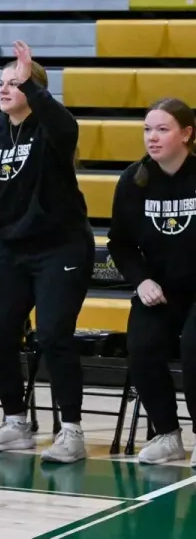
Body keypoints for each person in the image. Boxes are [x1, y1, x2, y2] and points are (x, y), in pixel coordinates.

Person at [0, 41, 94, 464]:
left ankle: (71, 431)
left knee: (53, 335)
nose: (4, 89)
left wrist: (33, 86)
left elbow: (66, 126)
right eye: (1, 83)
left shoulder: (51, 130)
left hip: (61, 246)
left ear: (33, 90)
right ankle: (15, 422)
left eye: (14, 83)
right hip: (10, 249)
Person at [107, 98, 196, 467]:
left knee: (194, 347)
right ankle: (167, 434)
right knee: (141, 346)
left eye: (162, 129)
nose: (152, 137)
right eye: (147, 129)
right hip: (160, 290)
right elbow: (120, 243)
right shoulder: (134, 180)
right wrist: (141, 280)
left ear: (186, 134)